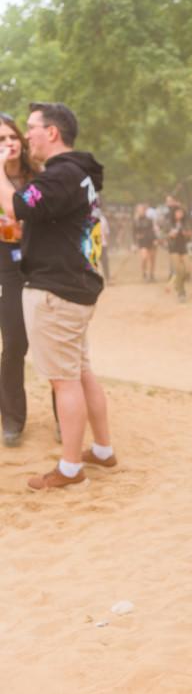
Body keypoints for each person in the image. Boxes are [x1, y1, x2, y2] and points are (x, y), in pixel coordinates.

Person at [0, 101, 117, 490]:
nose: (27, 135)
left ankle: (70, 468)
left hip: (56, 290)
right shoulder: (77, 174)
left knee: (64, 381)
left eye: (31, 127)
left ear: (51, 132)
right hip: (75, 286)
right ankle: (102, 449)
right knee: (80, 372)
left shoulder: (60, 174)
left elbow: (16, 205)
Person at [0, 113, 35, 446]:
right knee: (13, 344)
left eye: (12, 137)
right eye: (1, 139)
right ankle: (12, 419)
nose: (8, 143)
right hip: (7, 268)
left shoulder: (38, 176)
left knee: (51, 344)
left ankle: (64, 417)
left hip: (41, 263)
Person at [167, 206, 192, 301]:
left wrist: (186, 234)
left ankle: (177, 283)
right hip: (174, 248)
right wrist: (170, 235)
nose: (179, 214)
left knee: (188, 270)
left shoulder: (186, 224)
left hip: (183, 248)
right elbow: (164, 234)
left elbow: (190, 235)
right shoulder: (170, 224)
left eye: (181, 212)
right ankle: (181, 293)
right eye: (177, 212)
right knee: (179, 270)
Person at [133, 203, 158, 281]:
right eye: (139, 210)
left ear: (145, 211)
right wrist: (134, 243)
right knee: (144, 258)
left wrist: (155, 239)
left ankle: (151, 274)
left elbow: (153, 230)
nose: (141, 211)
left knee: (152, 259)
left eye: (142, 210)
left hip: (151, 240)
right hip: (142, 241)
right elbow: (133, 232)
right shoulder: (135, 221)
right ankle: (144, 273)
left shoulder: (149, 220)